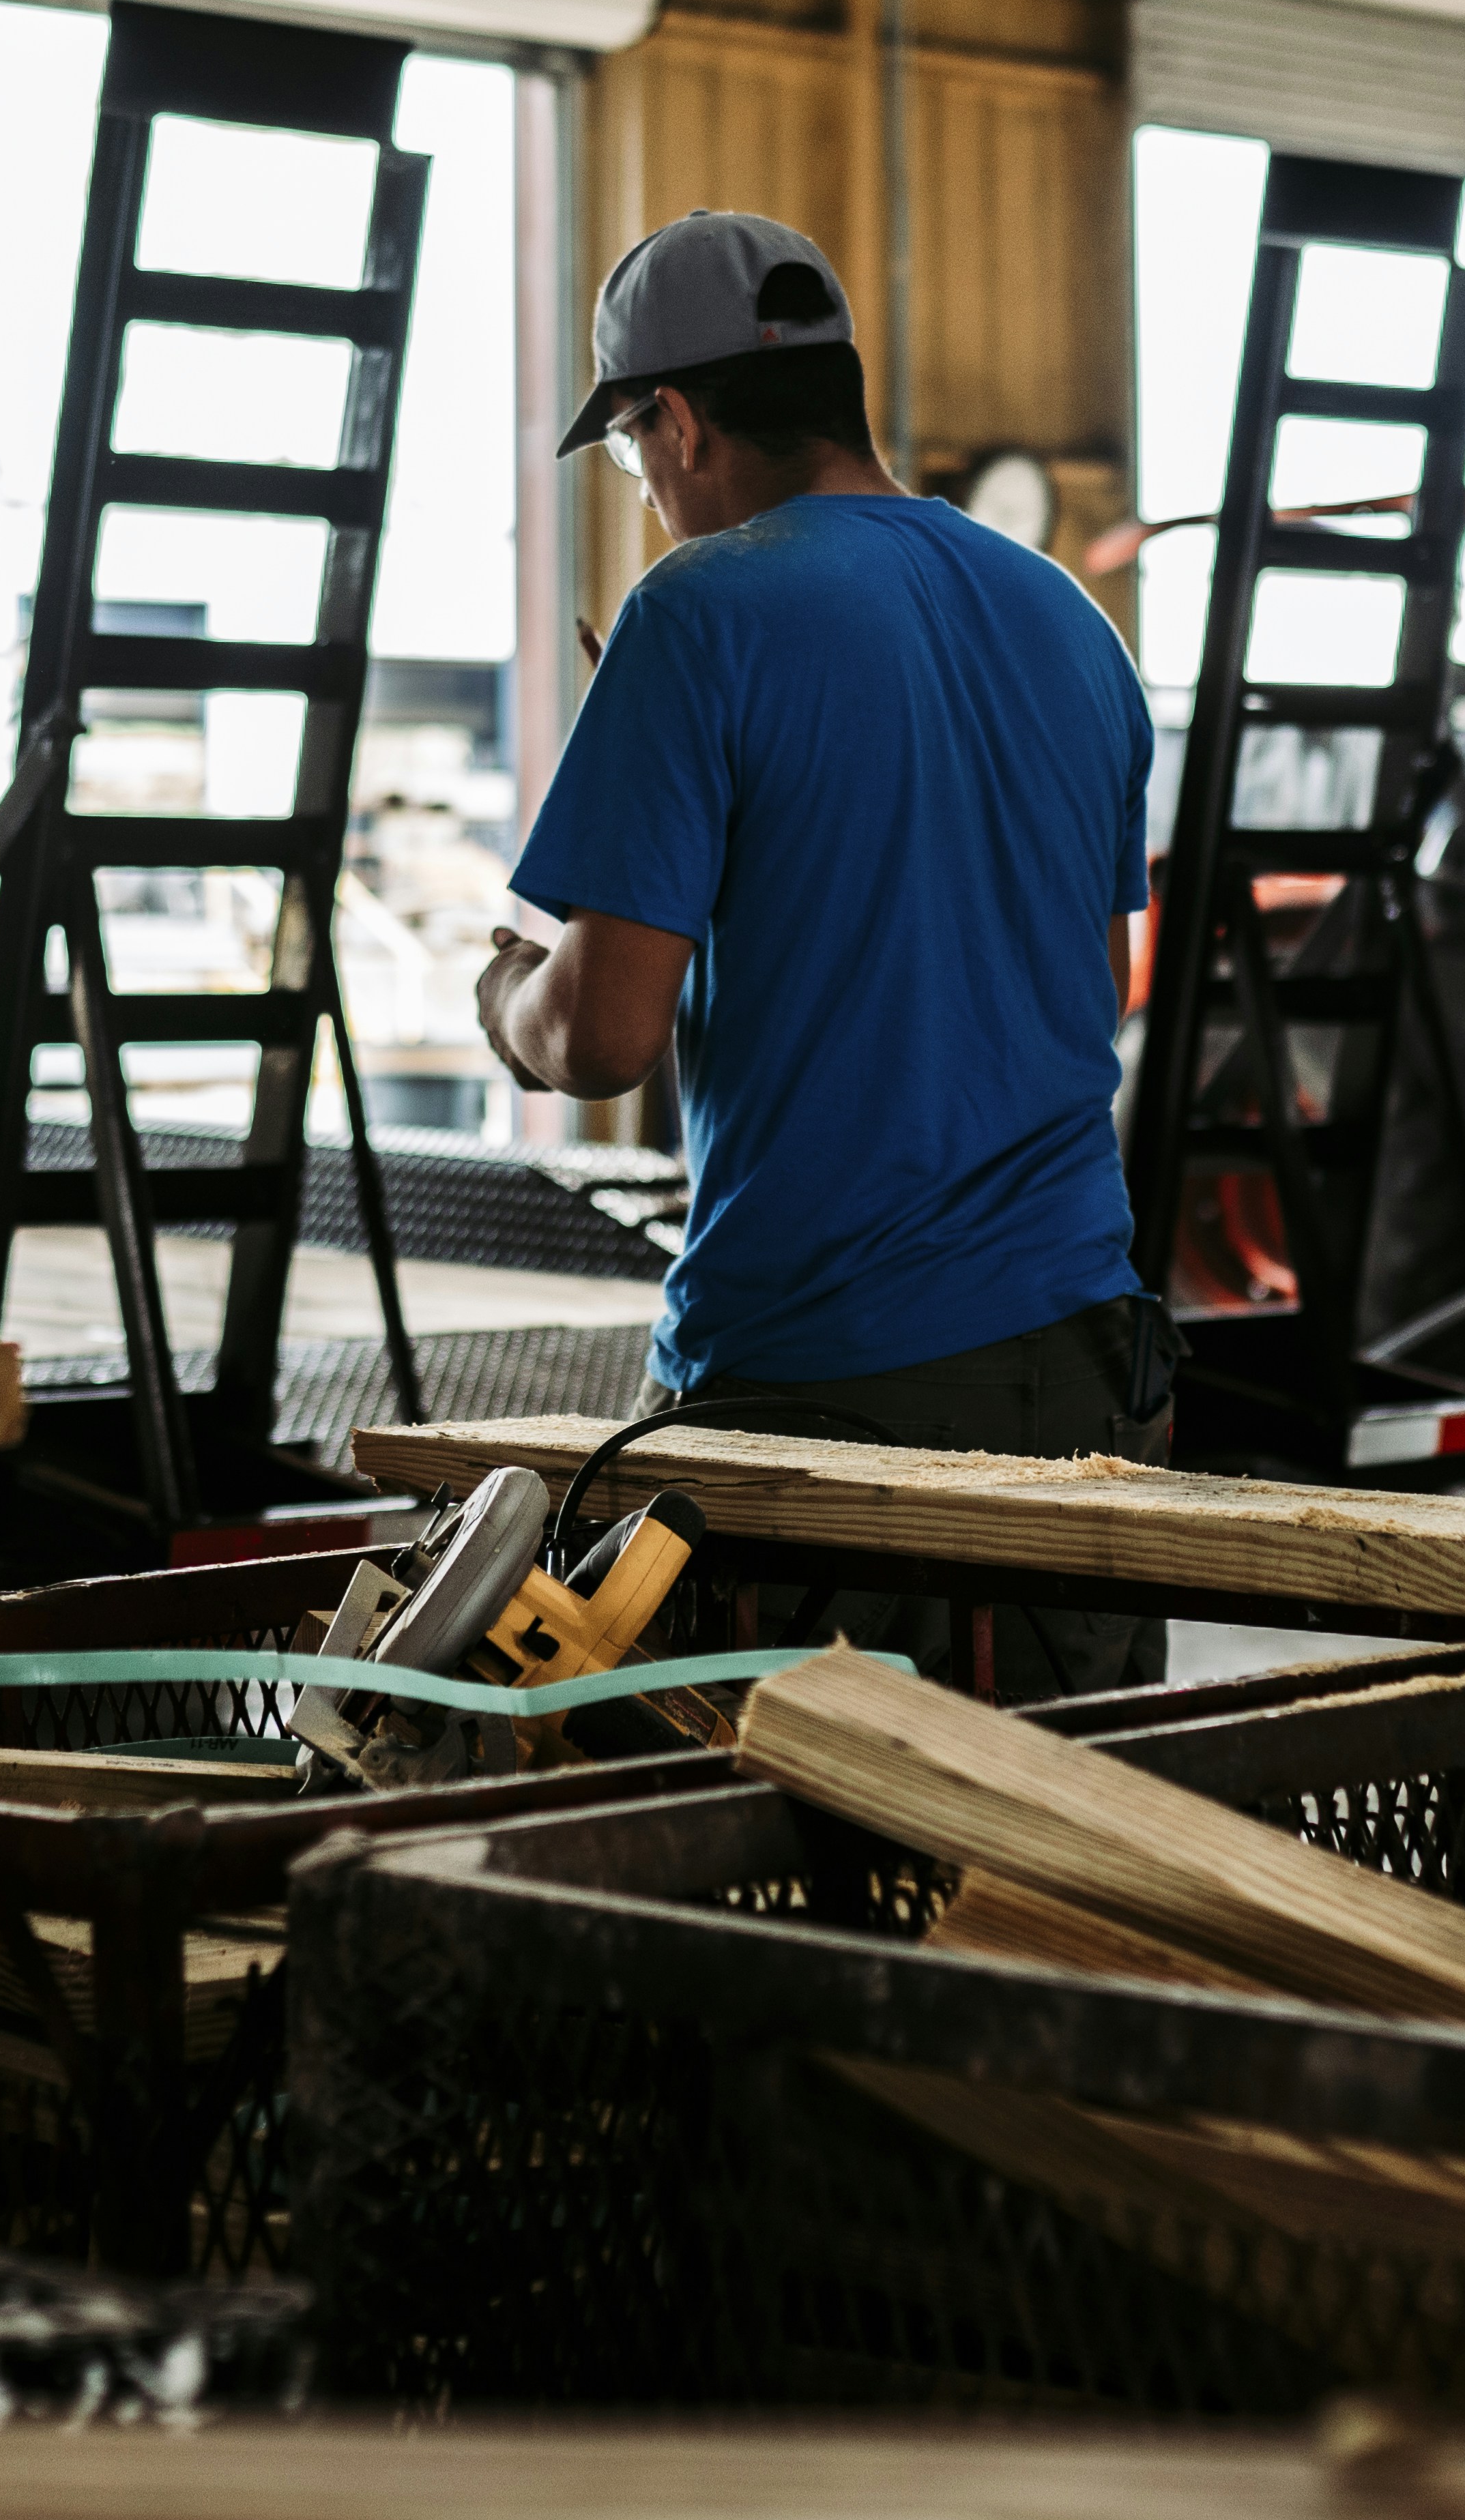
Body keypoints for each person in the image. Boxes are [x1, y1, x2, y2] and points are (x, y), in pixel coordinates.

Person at [476, 207, 1171, 1697]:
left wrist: (503, 995)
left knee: (816, 1883)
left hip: (825, 1388)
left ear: (673, 419)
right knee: (1064, 1863)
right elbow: (1089, 989)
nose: (648, 488)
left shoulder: (703, 610)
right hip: (1082, 1375)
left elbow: (601, 1039)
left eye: (630, 450)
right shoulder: (1071, 623)